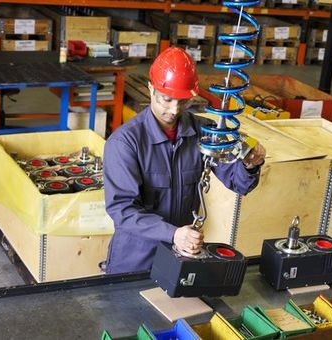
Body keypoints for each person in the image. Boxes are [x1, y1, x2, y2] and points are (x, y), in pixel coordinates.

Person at [103, 47, 266, 274]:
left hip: (182, 254)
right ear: (151, 88)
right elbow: (122, 210)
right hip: (136, 258)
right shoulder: (124, 143)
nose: (174, 109)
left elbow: (238, 183)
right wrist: (173, 234)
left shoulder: (202, 132)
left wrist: (249, 165)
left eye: (182, 101)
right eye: (166, 99)